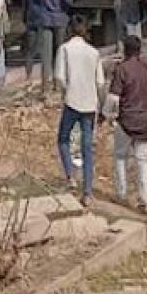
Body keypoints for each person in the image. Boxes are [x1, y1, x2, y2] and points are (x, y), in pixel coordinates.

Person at [55, 15, 104, 206]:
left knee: (63, 139)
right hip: (90, 104)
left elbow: (59, 77)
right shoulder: (93, 53)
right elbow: (100, 82)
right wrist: (101, 103)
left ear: (69, 30)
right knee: (87, 148)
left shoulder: (65, 49)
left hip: (72, 100)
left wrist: (65, 92)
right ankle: (88, 192)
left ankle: (70, 176)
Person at [106, 35, 147, 214]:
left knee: (120, 157)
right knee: (143, 160)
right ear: (140, 50)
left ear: (125, 50)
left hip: (126, 120)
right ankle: (145, 201)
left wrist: (105, 115)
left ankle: (121, 194)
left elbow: (113, 98)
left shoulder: (122, 69)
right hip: (145, 121)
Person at [39, 0, 73, 84]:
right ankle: (58, 82)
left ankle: (45, 84)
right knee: (59, 53)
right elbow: (68, 0)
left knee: (46, 54)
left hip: (46, 18)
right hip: (60, 18)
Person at [22, 0, 49, 89]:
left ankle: (28, 75)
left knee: (30, 50)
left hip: (31, 17)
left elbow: (26, 2)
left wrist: (25, 18)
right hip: (44, 18)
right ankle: (45, 77)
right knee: (45, 49)